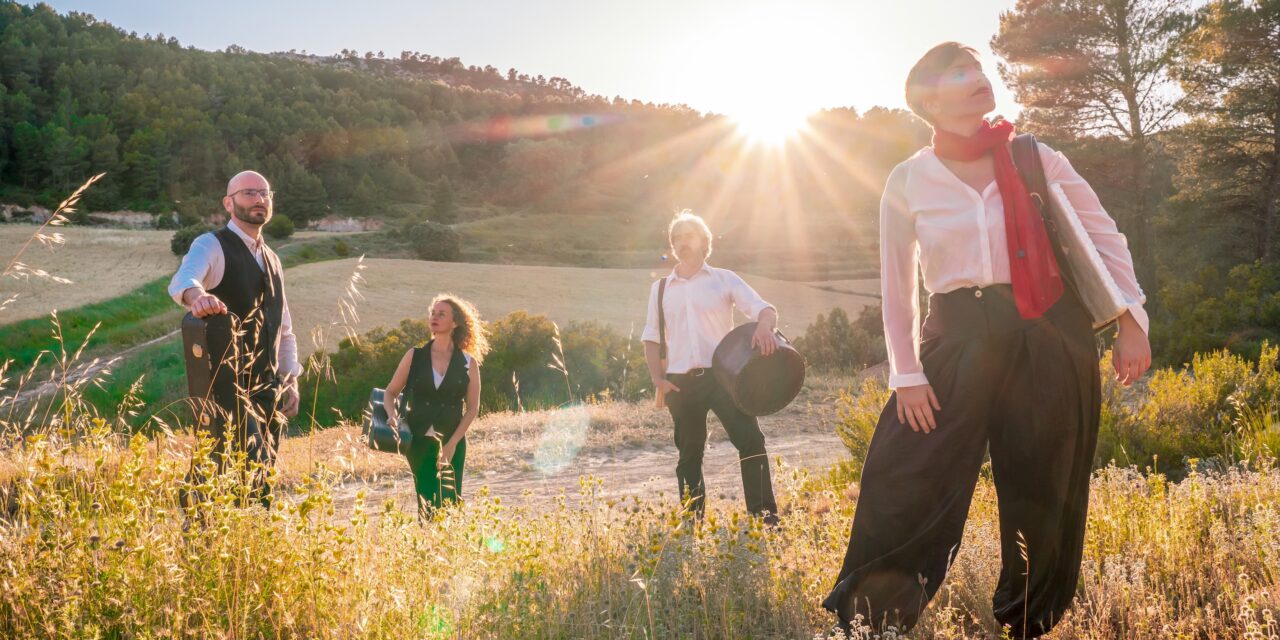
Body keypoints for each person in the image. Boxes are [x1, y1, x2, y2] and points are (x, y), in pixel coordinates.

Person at [822, 43, 1153, 638]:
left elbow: (1107, 239)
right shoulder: (908, 180)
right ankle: (874, 621)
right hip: (956, 341)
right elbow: (897, 290)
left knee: (1042, 488)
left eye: (979, 67)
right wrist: (907, 373)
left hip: (1046, 337)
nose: (978, 78)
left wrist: (1131, 322)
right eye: (959, 72)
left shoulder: (1035, 158)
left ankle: (1027, 621)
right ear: (929, 99)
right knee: (902, 479)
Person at [169, 170, 302, 505]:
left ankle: (208, 524)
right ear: (228, 203)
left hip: (268, 386)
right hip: (226, 384)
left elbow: (282, 326)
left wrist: (291, 377)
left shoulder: (273, 259)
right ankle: (221, 528)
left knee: (257, 469)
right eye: (248, 193)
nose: (259, 199)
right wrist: (197, 296)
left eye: (265, 193)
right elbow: (183, 280)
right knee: (249, 468)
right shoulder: (211, 244)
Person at [642, 211, 782, 524]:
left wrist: (764, 327)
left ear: (704, 243)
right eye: (676, 238)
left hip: (724, 379)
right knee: (689, 454)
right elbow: (651, 337)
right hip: (680, 384)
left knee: (751, 441)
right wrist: (657, 379)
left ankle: (764, 518)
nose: (681, 243)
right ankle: (692, 522)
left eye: (688, 237)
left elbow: (765, 309)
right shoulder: (661, 289)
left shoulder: (724, 279)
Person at [383, 294, 488, 517]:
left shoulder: (469, 363)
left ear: (456, 322)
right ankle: (429, 548)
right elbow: (390, 392)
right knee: (427, 501)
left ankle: (450, 548)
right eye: (433, 313)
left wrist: (451, 445)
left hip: (453, 440)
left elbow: (472, 409)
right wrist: (392, 415)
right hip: (418, 439)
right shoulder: (415, 355)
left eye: (442, 314)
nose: (434, 317)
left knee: (450, 501)